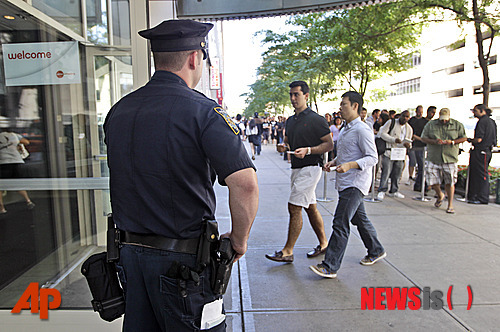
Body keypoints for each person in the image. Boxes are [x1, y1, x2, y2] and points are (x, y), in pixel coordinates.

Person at [104, 19, 259, 332]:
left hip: (128, 258)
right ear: (194, 57)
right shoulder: (204, 112)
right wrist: (239, 240)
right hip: (183, 268)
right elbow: (244, 184)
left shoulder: (118, 111)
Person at [310, 91, 385, 279]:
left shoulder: (362, 129)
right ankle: (376, 249)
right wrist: (334, 162)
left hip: (355, 183)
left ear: (355, 107)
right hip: (345, 182)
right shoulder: (346, 128)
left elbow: (372, 157)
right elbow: (348, 153)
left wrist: (350, 165)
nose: (340, 108)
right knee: (359, 219)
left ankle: (330, 265)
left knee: (340, 222)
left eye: (344, 104)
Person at [265, 81, 333, 263]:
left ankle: (288, 251)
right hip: (296, 169)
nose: (293, 98)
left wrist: (309, 150)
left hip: (311, 168)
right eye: (291, 95)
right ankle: (324, 244)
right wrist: (283, 146)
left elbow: (329, 144)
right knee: (311, 208)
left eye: (297, 94)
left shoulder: (316, 119)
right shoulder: (290, 120)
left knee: (294, 207)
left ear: (306, 96)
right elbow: (287, 141)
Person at [421, 108, 467, 214]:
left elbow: (464, 138)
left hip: (450, 157)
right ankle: (440, 194)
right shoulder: (431, 125)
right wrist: (434, 141)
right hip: (434, 156)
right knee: (431, 180)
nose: (444, 121)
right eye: (442, 119)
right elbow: (423, 138)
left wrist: (452, 142)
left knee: (450, 181)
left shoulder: (457, 125)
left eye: (446, 119)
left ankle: (450, 204)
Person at [376, 111, 413, 200]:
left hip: (400, 153)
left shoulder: (409, 128)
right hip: (389, 151)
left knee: (397, 172)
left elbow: (409, 140)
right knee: (386, 171)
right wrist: (393, 139)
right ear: (400, 116)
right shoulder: (391, 122)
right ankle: (382, 189)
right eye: (404, 116)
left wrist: (409, 145)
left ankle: (394, 190)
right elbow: (382, 133)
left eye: (407, 117)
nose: (405, 118)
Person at [467, 104, 497, 204]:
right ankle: (477, 195)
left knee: (481, 174)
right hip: (487, 150)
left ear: (482, 111)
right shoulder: (492, 122)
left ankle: (482, 197)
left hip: (481, 151)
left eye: (475, 111)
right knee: (481, 173)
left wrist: (470, 140)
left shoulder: (482, 122)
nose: (474, 113)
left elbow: (479, 139)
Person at [0, 130, 35, 213]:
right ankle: (28, 201)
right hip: (17, 161)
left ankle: (2, 207)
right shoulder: (14, 135)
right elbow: (26, 142)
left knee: (0, 186)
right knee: (18, 184)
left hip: (3, 162)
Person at [410, 106, 436, 192]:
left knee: (425, 167)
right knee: (420, 166)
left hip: (426, 146)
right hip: (418, 146)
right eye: (432, 112)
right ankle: (419, 185)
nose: (432, 114)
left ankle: (422, 184)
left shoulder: (430, 123)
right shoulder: (419, 121)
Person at [407, 105, 423, 182]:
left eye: (421, 112)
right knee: (412, 160)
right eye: (419, 112)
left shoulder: (424, 121)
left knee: (420, 161)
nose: (420, 113)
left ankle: (417, 176)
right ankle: (410, 176)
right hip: (412, 143)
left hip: (420, 144)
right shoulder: (412, 120)